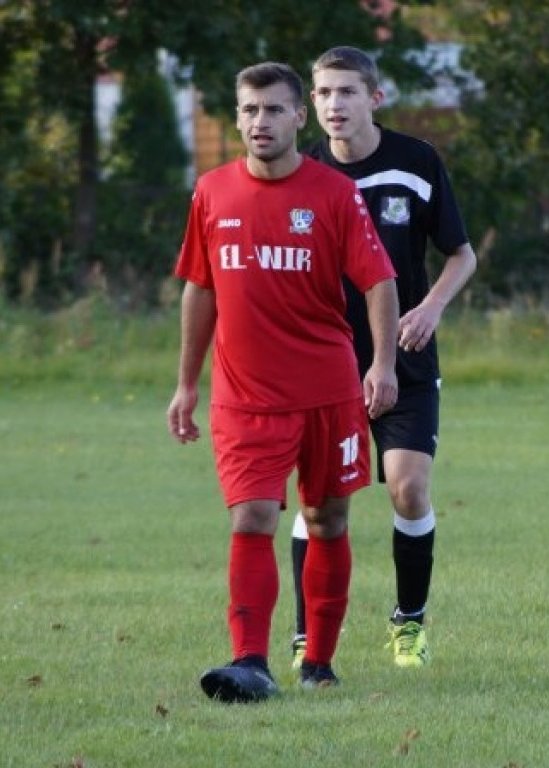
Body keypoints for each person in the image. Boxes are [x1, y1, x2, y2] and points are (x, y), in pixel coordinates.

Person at [166, 61, 399, 703]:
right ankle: (250, 661)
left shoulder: (332, 194)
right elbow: (199, 286)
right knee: (254, 516)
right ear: (236, 116)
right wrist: (187, 383)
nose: (259, 121)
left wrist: (381, 364)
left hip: (328, 390)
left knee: (326, 519)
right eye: (248, 109)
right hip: (244, 395)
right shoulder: (212, 191)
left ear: (300, 116)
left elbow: (379, 281)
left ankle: (319, 662)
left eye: (273, 109)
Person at [289, 46, 477, 669]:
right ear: (309, 103)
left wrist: (430, 309)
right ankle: (302, 634)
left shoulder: (416, 162)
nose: (334, 105)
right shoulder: (301, 169)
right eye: (323, 94)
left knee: (408, 488)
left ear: (375, 97)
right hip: (325, 360)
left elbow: (461, 254)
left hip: (406, 354)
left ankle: (410, 623)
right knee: (316, 500)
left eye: (347, 92)